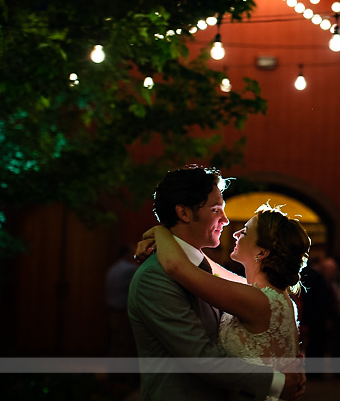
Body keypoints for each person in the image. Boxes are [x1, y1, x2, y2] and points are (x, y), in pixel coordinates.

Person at [128, 165, 305, 401]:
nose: (226, 220)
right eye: (216, 209)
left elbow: (181, 266)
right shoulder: (155, 277)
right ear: (184, 213)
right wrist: (278, 383)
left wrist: (161, 232)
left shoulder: (202, 272)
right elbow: (199, 355)